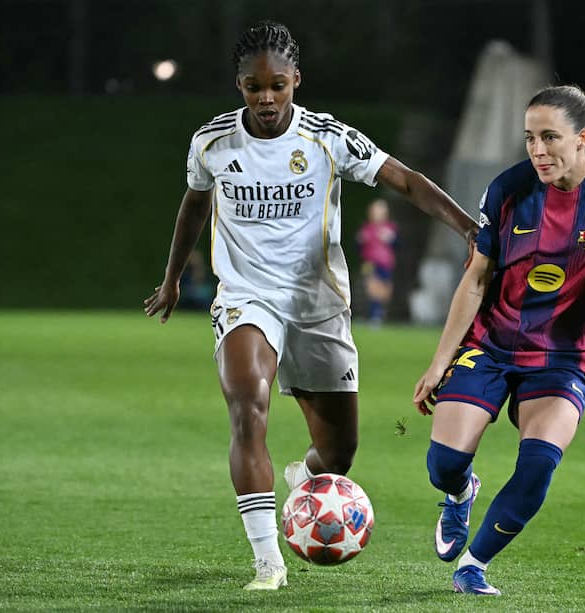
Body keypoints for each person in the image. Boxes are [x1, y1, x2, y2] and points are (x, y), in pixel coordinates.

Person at [143, 20, 477, 591]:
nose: (266, 98)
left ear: (297, 79)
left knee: (339, 452)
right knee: (249, 404)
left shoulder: (328, 138)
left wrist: (469, 228)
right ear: (239, 85)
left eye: (278, 85)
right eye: (253, 87)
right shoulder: (213, 143)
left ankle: (305, 476)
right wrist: (173, 279)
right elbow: (193, 207)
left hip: (319, 304)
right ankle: (268, 562)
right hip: (247, 297)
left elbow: (406, 180)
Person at [412, 85, 585, 595]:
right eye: (530, 138)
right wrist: (439, 361)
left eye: (550, 137)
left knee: (536, 466)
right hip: (491, 344)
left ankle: (475, 563)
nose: (537, 150)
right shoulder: (507, 190)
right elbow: (475, 280)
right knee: (443, 464)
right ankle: (461, 491)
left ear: (583, 139)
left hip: (565, 358)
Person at [356, 198, 399, 326]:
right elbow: (359, 247)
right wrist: (360, 240)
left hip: (386, 264)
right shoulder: (367, 228)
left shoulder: (390, 228)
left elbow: (398, 245)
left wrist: (391, 239)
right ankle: (374, 315)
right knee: (371, 287)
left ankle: (379, 313)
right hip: (369, 263)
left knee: (384, 291)